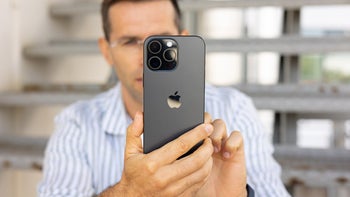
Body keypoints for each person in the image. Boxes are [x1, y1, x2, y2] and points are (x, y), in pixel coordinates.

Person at [38, 0, 290, 196]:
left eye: (160, 42)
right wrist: (130, 194)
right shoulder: (77, 123)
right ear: (106, 52)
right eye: (129, 41)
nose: (145, 60)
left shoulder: (234, 108)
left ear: (182, 39)